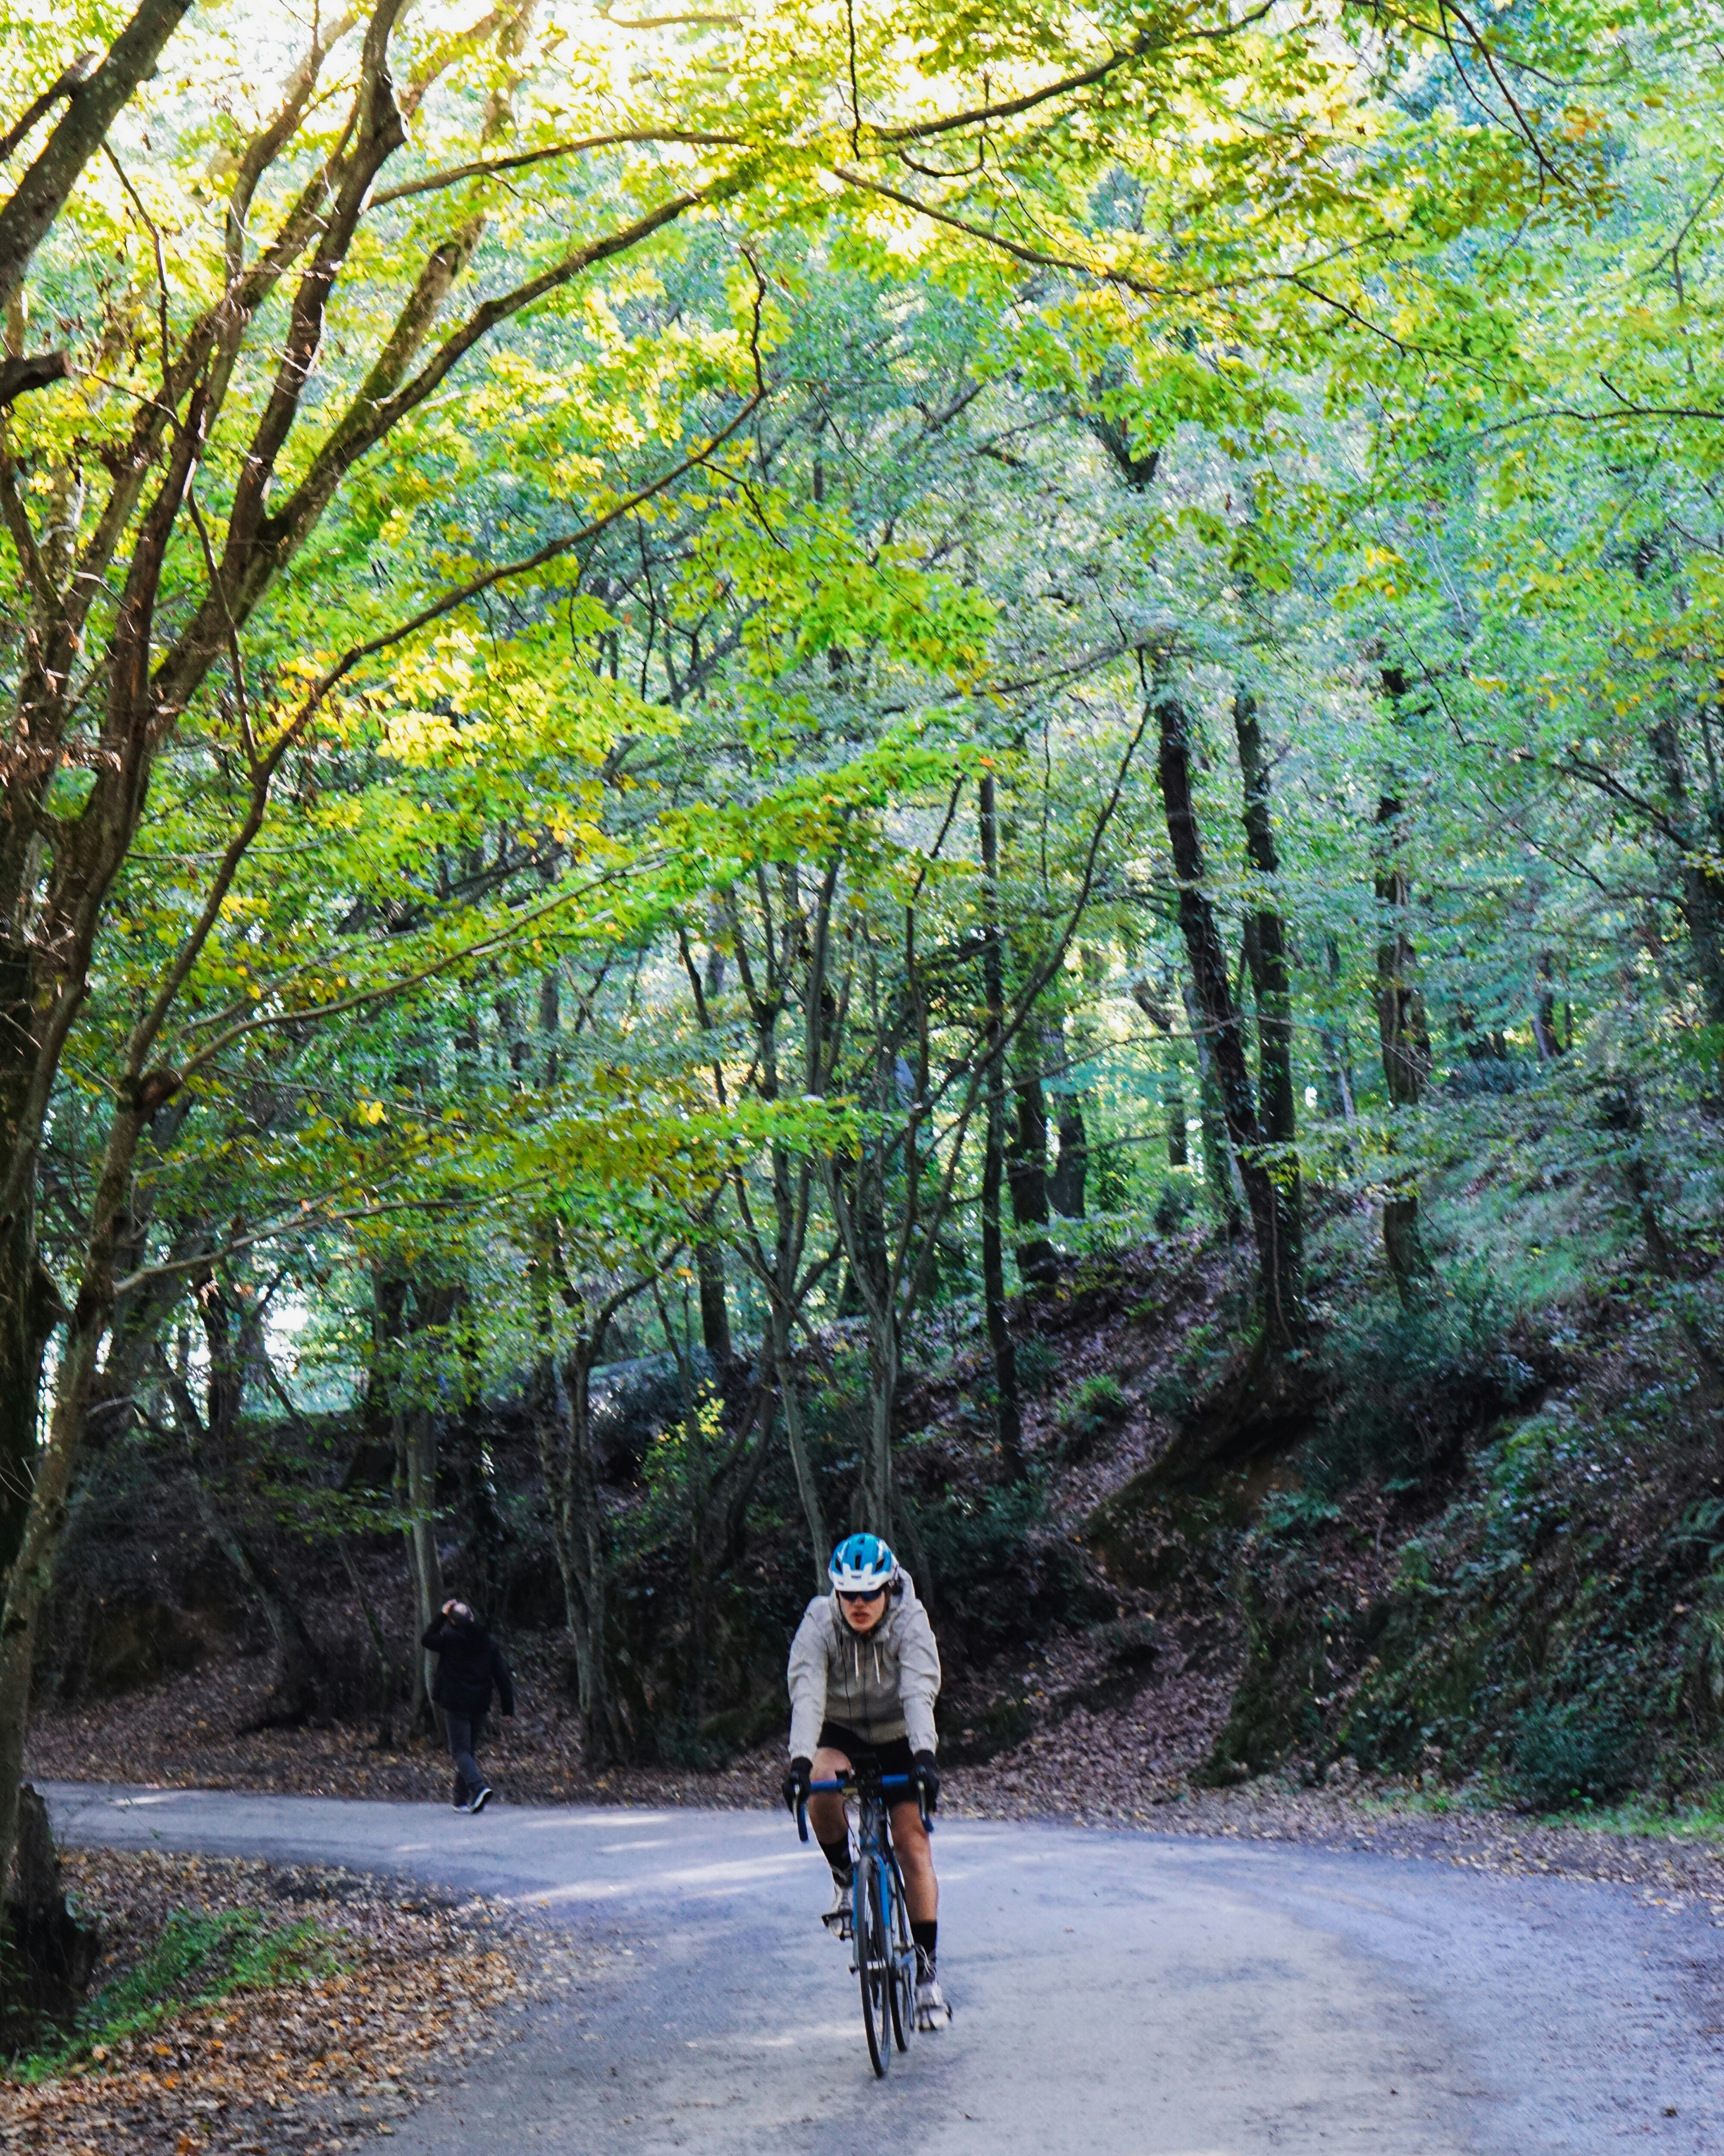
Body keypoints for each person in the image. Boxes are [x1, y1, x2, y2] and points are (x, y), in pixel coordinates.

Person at [782, 1533, 951, 2030]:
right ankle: (843, 1876)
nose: (858, 1605)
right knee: (818, 1780)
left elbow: (920, 1690)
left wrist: (924, 1757)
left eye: (868, 1594)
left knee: (912, 1843)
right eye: (848, 1594)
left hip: (899, 1732)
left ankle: (926, 1976)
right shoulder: (819, 1621)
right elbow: (808, 1694)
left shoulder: (910, 1621)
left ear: (887, 1588)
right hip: (841, 1730)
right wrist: (797, 1763)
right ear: (836, 1591)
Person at [420, 1599, 515, 1813]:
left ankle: (479, 1788)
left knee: (460, 1752)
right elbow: (502, 1675)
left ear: (452, 1622)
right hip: (479, 1703)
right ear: (472, 1618)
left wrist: (441, 1616)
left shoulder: (449, 1638)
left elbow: (426, 1639)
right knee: (468, 1751)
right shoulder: (488, 1641)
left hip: (456, 1702)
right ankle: (460, 1800)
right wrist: (508, 1707)